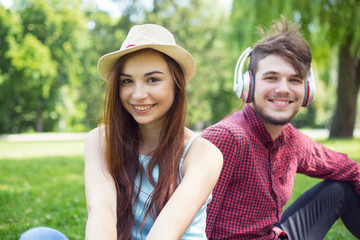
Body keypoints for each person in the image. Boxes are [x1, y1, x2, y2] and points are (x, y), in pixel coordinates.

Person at [201, 18, 360, 240]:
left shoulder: (291, 139)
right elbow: (194, 225)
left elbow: (349, 169)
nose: (283, 89)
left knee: (341, 190)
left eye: (294, 80)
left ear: (307, 90)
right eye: (271, 77)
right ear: (249, 85)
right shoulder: (227, 138)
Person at [84, 24, 223, 240]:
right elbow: (101, 210)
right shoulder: (101, 140)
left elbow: (165, 233)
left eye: (153, 79)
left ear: (177, 85)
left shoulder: (204, 154)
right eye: (127, 81)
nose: (138, 94)